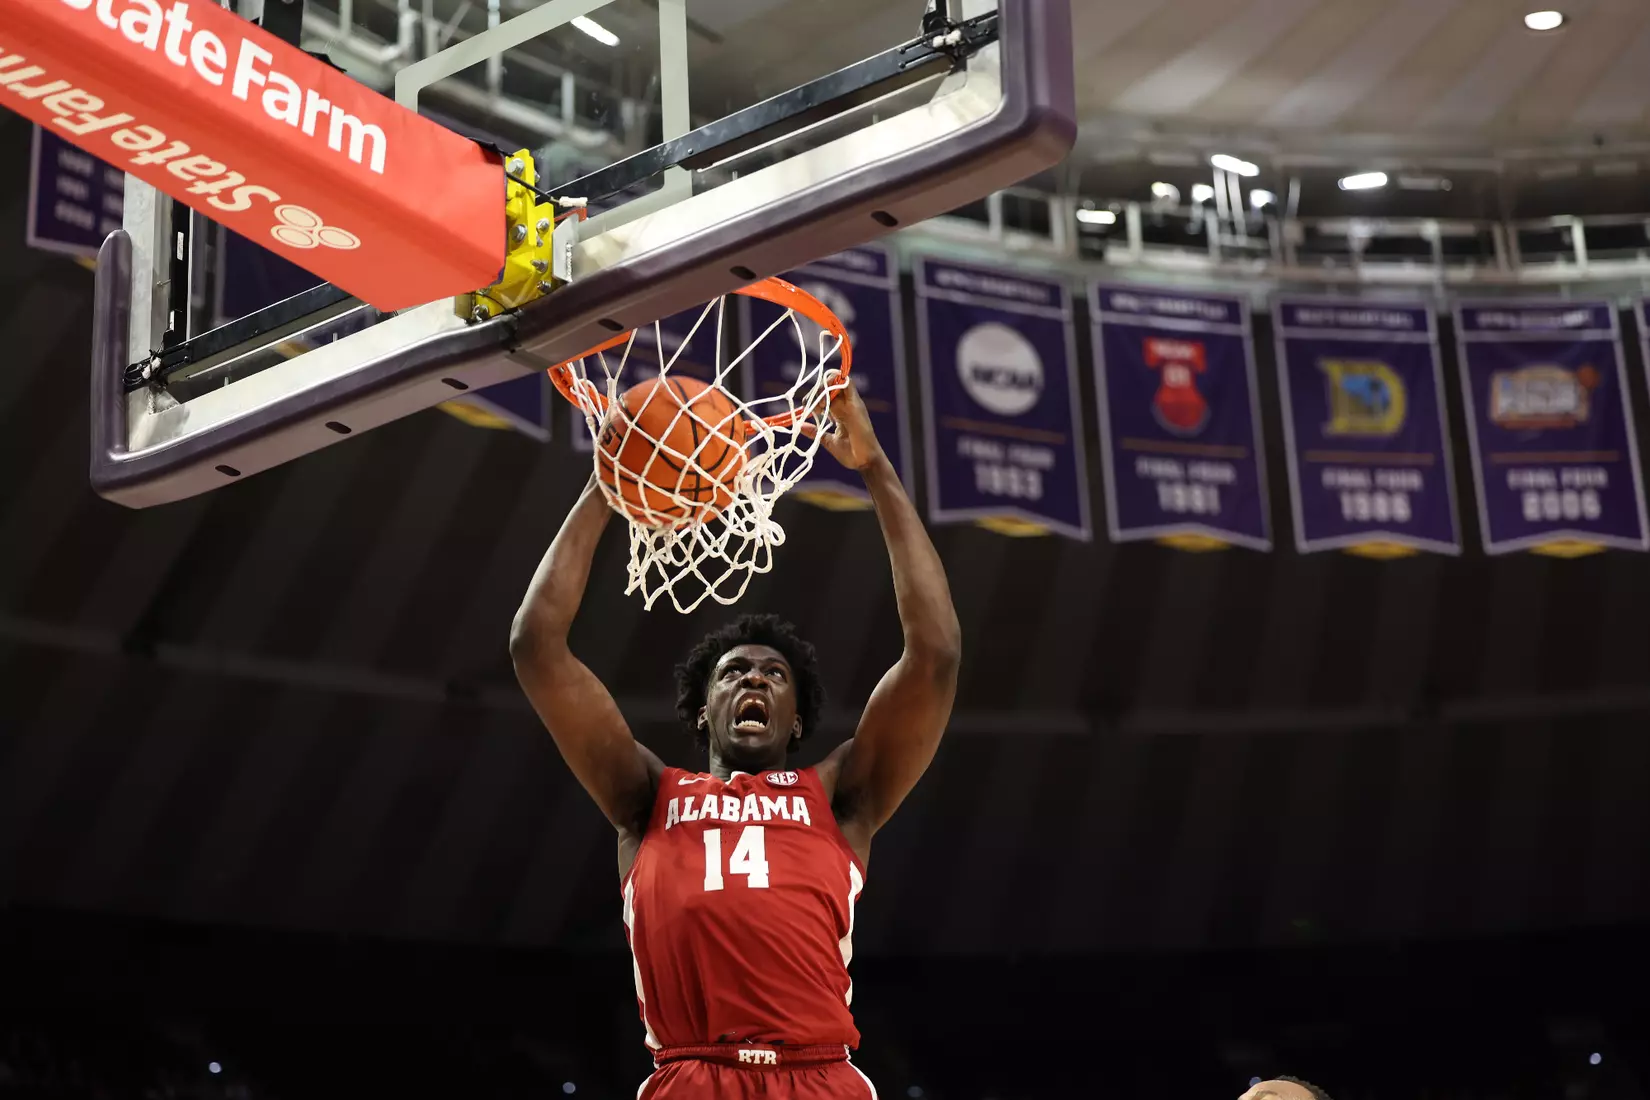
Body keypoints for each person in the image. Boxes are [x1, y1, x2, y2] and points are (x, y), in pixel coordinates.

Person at [510, 379, 961, 1098]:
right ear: (700, 710)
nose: (753, 682)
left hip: (821, 1078)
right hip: (693, 1078)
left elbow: (934, 655)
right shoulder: (646, 797)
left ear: (798, 719)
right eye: (733, 673)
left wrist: (876, 469)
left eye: (775, 676)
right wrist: (613, 477)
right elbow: (537, 645)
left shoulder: (841, 798)